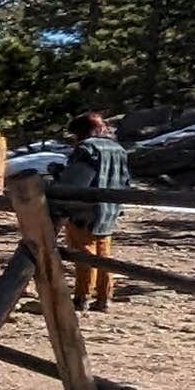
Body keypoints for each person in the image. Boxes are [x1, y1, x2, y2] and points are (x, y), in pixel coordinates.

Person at [60, 112, 135, 310]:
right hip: (110, 208)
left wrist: (58, 177)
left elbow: (77, 181)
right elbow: (126, 180)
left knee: (84, 252)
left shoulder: (87, 149)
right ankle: (104, 297)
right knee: (104, 254)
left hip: (85, 210)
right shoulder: (119, 149)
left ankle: (82, 296)